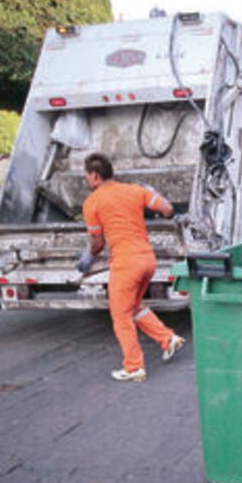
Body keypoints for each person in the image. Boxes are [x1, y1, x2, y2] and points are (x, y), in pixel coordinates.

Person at [79, 153, 185, 382]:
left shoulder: (92, 202)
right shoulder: (135, 191)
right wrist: (153, 193)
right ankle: (168, 339)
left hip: (126, 263)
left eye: (87, 176)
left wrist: (88, 257)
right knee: (134, 306)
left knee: (120, 316)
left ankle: (134, 366)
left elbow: (98, 242)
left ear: (95, 176)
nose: (87, 180)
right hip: (147, 260)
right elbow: (167, 209)